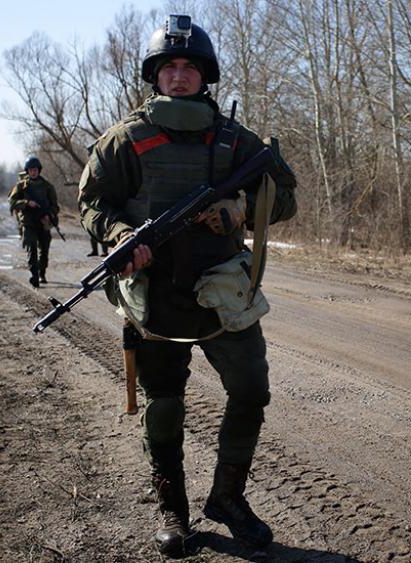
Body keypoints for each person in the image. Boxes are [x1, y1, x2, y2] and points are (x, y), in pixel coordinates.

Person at [78, 15, 297, 558]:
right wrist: (123, 234)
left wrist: (238, 207)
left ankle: (227, 499)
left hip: (223, 290)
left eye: (189, 67)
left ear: (206, 76)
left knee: (250, 390)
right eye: (169, 67)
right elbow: (93, 203)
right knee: (165, 400)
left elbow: (285, 199)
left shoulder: (234, 140)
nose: (179, 76)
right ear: (155, 76)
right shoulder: (125, 140)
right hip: (155, 294)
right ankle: (172, 507)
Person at [9, 156, 59, 288]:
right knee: (31, 248)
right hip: (29, 222)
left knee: (44, 249)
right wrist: (26, 203)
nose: (33, 172)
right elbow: (12, 202)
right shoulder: (21, 186)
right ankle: (34, 276)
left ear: (39, 170)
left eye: (35, 169)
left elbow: (55, 206)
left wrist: (50, 215)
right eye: (31, 170)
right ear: (27, 171)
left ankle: (42, 272)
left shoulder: (47, 187)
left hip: (43, 222)